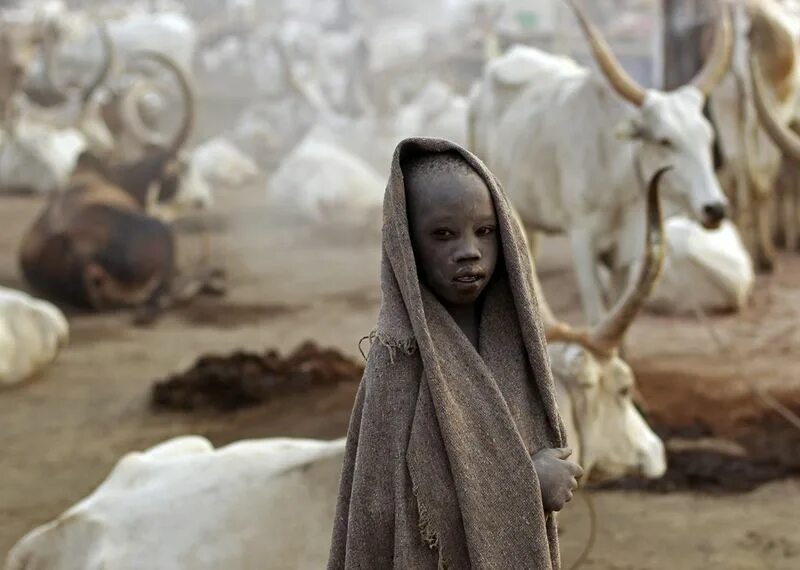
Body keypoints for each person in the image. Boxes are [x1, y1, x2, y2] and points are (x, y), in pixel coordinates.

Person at [327, 137, 583, 569]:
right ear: (406, 245)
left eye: (484, 231)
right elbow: (403, 510)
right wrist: (526, 485)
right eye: (443, 234)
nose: (469, 250)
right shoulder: (399, 360)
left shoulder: (514, 348)